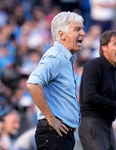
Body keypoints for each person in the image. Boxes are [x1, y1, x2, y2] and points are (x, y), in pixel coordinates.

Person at [26, 11, 85, 150]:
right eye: (77, 29)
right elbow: (33, 83)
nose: (83, 33)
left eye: (82, 29)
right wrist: (51, 118)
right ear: (61, 34)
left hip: (60, 135)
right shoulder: (56, 56)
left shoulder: (65, 58)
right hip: (54, 134)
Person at [78, 30, 116, 150]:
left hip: (107, 125)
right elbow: (89, 96)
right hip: (92, 124)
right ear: (104, 47)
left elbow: (112, 96)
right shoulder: (93, 65)